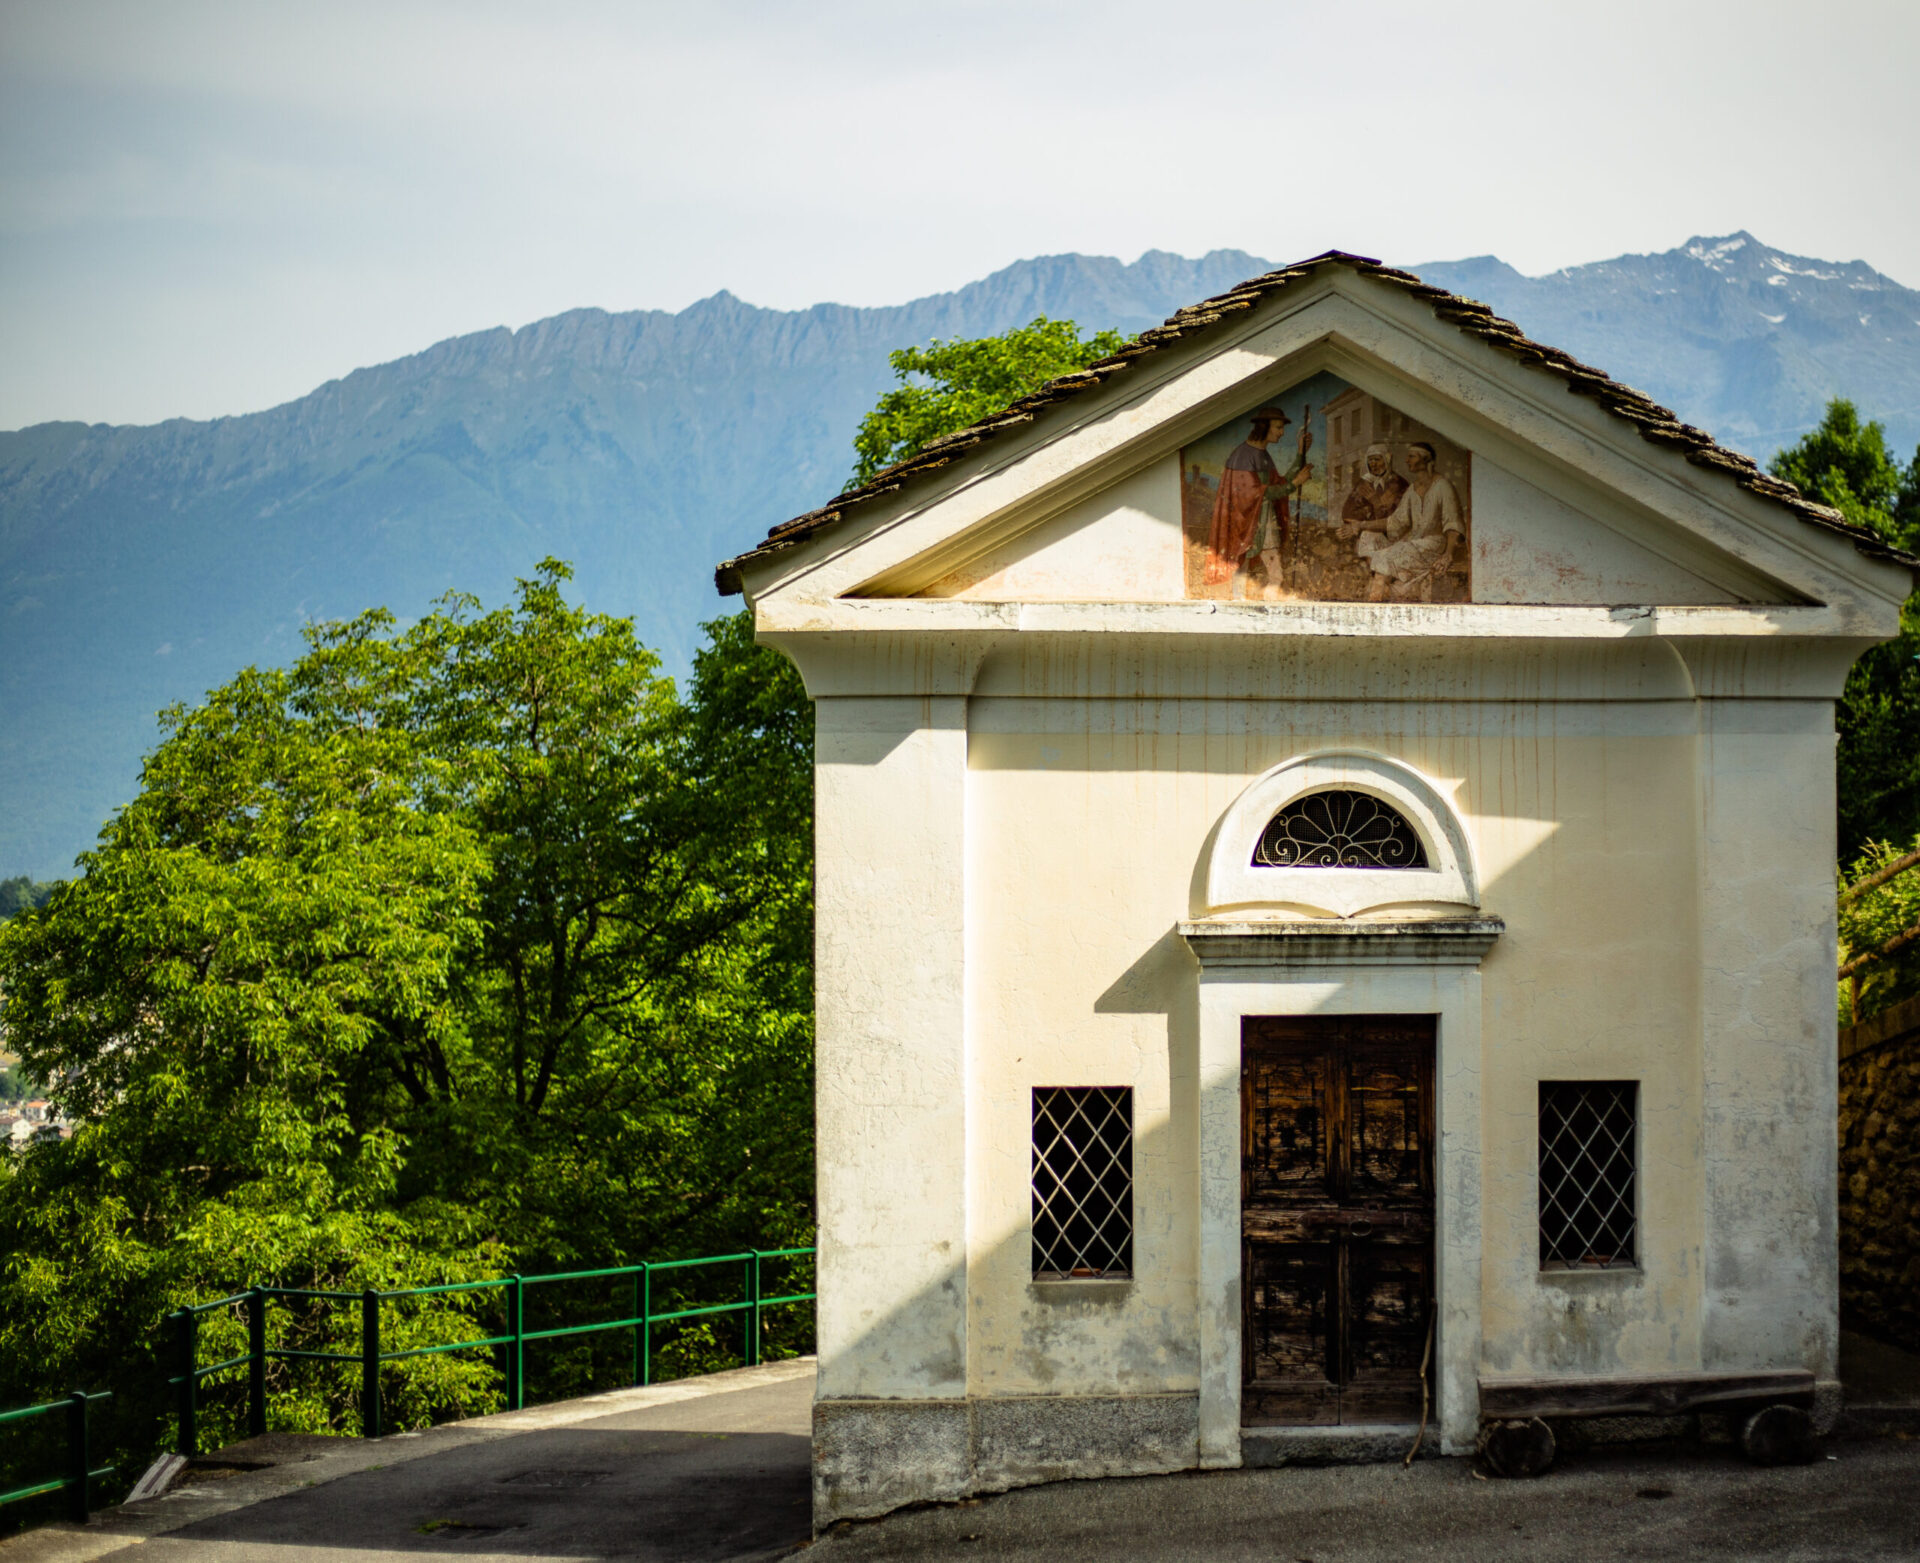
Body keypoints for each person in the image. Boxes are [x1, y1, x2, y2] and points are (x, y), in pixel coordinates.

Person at [1203, 406, 1312, 592]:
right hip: (1246, 526)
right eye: (1278, 427)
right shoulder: (1243, 456)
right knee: (1241, 573)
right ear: (1264, 427)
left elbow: (1280, 483)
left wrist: (1300, 454)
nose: (1281, 432)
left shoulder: (1263, 455)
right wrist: (1295, 483)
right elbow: (1258, 493)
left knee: (1276, 576)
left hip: (1265, 523)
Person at [1354, 442, 1464, 601]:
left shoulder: (1442, 487)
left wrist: (1448, 554)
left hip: (1433, 545)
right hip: (1412, 543)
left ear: (1425, 459)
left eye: (1411, 456)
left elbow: (1453, 522)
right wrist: (1362, 525)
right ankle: (1386, 587)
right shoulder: (1412, 489)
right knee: (1368, 538)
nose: (1406, 460)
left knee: (1385, 557)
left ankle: (1374, 602)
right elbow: (1397, 522)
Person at [1337, 443, 1408, 537]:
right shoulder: (1364, 482)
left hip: (1393, 535)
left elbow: (1398, 519)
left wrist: (1376, 503)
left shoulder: (1399, 484)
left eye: (1377, 459)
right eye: (1370, 460)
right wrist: (1370, 509)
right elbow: (1348, 513)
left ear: (1387, 459)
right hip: (1365, 533)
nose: (1373, 464)